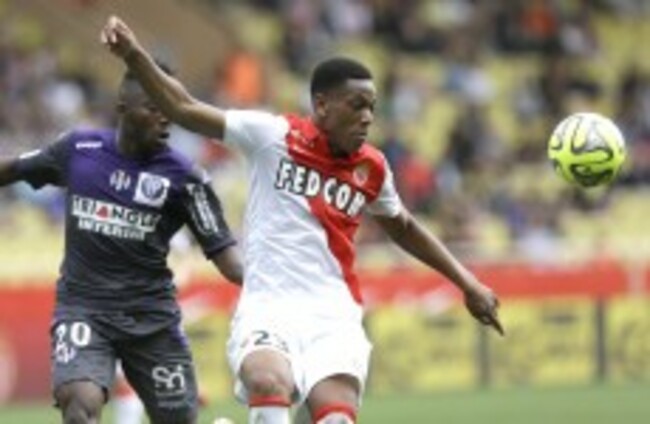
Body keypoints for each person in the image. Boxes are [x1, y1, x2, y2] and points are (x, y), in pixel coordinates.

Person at [101, 15, 504, 424]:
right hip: (268, 306)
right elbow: (184, 107)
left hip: (333, 314)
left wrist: (467, 282)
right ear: (322, 105)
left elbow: (404, 227)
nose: (367, 117)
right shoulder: (272, 136)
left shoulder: (373, 168)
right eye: (357, 105)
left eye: (372, 107)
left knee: (335, 417)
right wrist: (133, 54)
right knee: (268, 381)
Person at [0, 64, 243, 424]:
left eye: (170, 107)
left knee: (179, 419)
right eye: (154, 107)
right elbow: (14, 169)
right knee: (79, 404)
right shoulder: (79, 150)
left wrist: (280, 287)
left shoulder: (186, 178)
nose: (166, 117)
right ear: (123, 108)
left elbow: (229, 259)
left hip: (151, 319)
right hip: (84, 310)